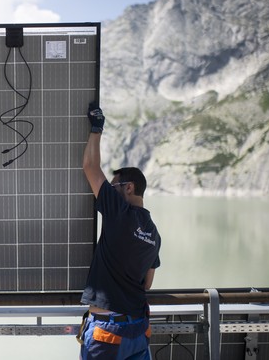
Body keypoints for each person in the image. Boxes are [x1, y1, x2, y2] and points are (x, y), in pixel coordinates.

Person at [78, 102, 161, 360]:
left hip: (108, 332)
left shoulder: (120, 213)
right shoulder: (154, 233)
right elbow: (147, 283)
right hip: (138, 328)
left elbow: (90, 167)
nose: (110, 191)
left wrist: (97, 127)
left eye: (115, 186)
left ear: (129, 188)